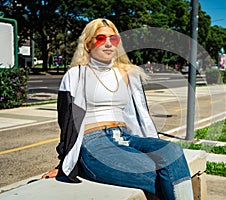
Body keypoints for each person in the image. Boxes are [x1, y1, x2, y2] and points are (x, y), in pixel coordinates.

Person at [42, 18, 194, 200]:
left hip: (126, 136)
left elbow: (140, 115)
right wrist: (65, 162)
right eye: (100, 38)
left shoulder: (128, 74)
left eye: (113, 39)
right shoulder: (76, 75)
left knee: (173, 151)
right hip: (93, 143)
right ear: (88, 44)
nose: (108, 43)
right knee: (160, 174)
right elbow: (66, 121)